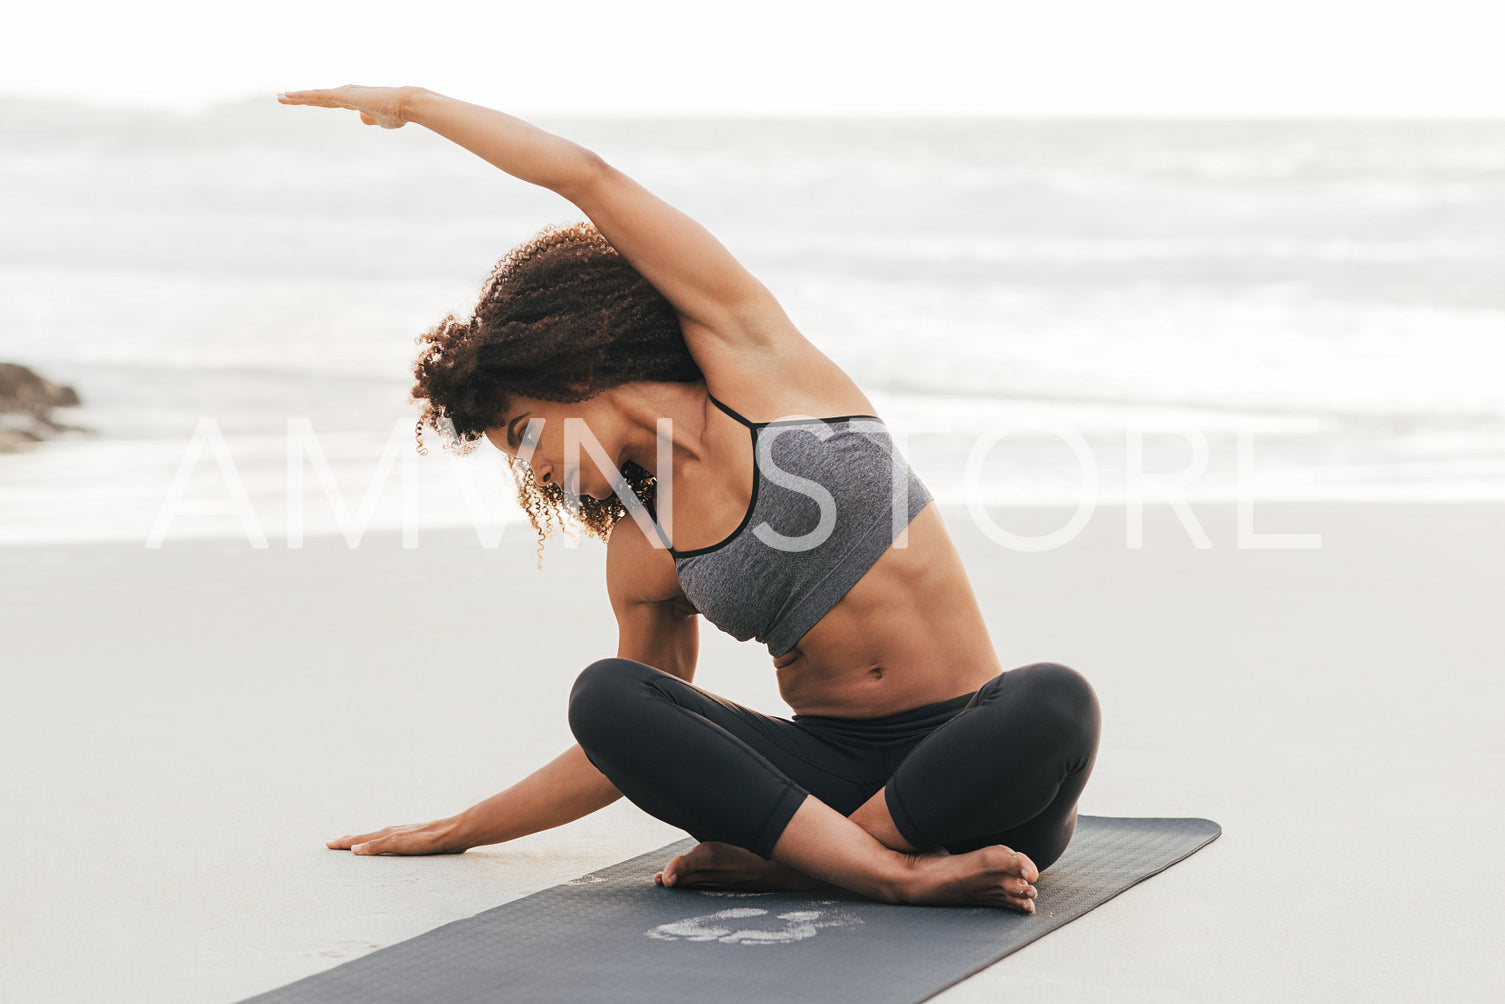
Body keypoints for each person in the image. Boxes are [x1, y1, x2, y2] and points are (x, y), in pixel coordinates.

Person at [279, 85, 1101, 913]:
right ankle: (883, 869)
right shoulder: (643, 541)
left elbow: (588, 180)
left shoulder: (763, 370)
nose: (534, 476)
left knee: (1052, 700)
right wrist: (460, 828)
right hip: (820, 777)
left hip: (973, 766)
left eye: (526, 437)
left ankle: (820, 863)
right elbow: (624, 741)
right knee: (604, 691)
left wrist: (415, 105)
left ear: (570, 379)